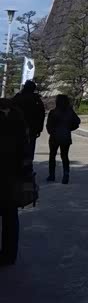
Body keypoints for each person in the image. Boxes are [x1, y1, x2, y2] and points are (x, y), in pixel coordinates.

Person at [0, 98, 26, 266]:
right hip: (14, 177)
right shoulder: (19, 122)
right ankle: (10, 254)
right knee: (11, 216)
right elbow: (25, 151)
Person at [46, 94, 81, 184]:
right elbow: (77, 122)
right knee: (64, 156)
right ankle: (66, 174)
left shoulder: (53, 112)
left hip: (54, 136)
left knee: (52, 155)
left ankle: (52, 175)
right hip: (66, 135)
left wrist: (51, 132)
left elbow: (48, 126)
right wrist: (69, 128)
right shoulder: (70, 112)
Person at [12, 80, 45, 161]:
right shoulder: (36, 99)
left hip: (18, 127)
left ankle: (18, 165)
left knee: (18, 148)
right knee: (30, 148)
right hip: (32, 127)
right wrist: (39, 129)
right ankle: (28, 166)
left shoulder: (18, 97)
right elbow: (41, 114)